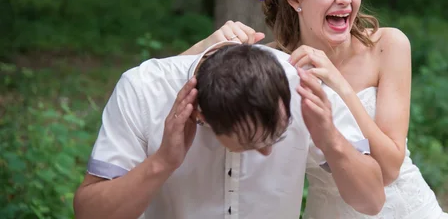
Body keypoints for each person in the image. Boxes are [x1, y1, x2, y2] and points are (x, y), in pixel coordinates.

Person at [216, 0, 448, 218]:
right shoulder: (273, 65)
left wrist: (337, 83)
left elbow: (390, 169)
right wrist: (208, 46)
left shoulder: (387, 46)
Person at [73, 34, 385, 219]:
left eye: (280, 133)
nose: (267, 150)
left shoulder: (302, 85)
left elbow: (372, 202)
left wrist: (332, 140)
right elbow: (89, 213)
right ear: (202, 116)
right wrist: (163, 162)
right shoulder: (143, 90)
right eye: (253, 142)